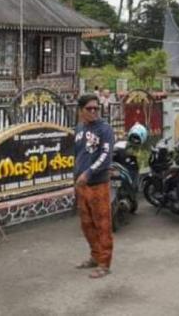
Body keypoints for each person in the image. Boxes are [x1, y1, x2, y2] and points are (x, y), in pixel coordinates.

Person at [73, 94, 115, 279]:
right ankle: (95, 255)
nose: (93, 112)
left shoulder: (104, 129)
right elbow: (78, 155)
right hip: (81, 184)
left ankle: (104, 263)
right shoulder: (80, 128)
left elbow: (105, 156)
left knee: (102, 224)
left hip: (98, 183)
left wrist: (88, 173)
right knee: (86, 224)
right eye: (89, 109)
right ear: (81, 111)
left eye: (95, 108)